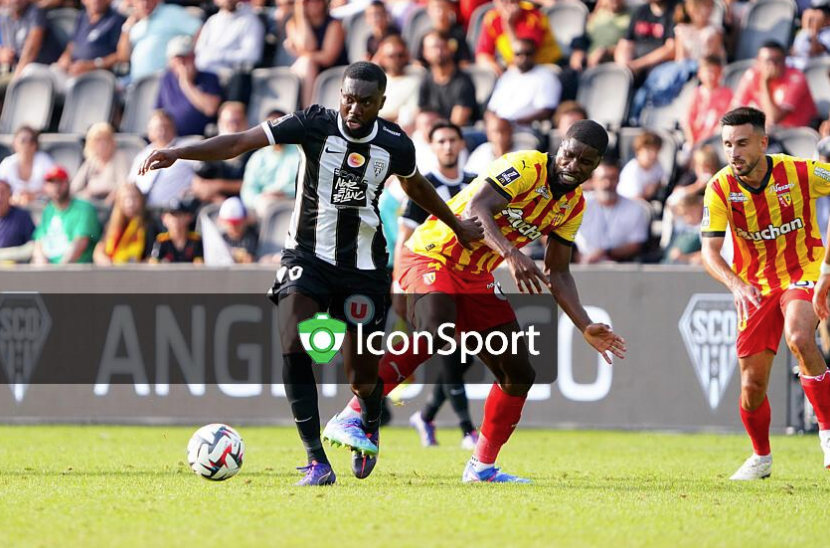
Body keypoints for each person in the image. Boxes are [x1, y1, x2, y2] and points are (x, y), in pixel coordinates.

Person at [138, 61, 483, 486]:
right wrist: (179, 153)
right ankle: (317, 460)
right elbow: (239, 143)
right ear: (340, 94)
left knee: (361, 374)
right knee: (292, 337)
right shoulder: (312, 123)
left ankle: (368, 420)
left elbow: (416, 188)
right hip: (307, 256)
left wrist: (456, 224)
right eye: (348, 98)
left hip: (364, 268)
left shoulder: (396, 144)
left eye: (365, 102)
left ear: (382, 103)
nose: (354, 108)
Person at [322, 120, 626, 483]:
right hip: (431, 253)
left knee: (519, 374)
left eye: (585, 161)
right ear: (559, 147)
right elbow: (476, 209)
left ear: (597, 165)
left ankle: (481, 467)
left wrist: (583, 324)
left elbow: (558, 272)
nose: (573, 166)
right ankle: (352, 415)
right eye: (570, 154)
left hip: (475, 277)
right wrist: (512, 254)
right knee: (438, 326)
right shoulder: (527, 166)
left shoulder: (573, 207)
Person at [702, 107, 830, 480]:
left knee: (799, 336)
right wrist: (736, 284)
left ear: (763, 141)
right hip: (754, 286)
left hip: (802, 272)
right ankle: (761, 458)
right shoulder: (720, 187)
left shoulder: (799, 172)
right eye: (727, 144)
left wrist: (826, 270)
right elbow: (710, 253)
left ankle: (827, 432)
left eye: (742, 143)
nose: (734, 152)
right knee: (751, 386)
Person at [391, 120, 480, 449]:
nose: (447, 146)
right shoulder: (423, 186)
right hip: (432, 277)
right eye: (441, 141)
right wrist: (400, 283)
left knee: (466, 356)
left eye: (452, 140)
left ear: (461, 145)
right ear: (433, 146)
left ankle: (426, 415)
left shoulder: (475, 184)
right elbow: (405, 238)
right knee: (449, 348)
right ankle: (468, 429)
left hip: (469, 280)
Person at [574, 157, 650, 263]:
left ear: (619, 179)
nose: (607, 184)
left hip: (619, 268)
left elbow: (636, 244)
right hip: (578, 265)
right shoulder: (577, 204)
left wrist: (606, 252)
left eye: (612, 178)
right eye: (603, 178)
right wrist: (572, 255)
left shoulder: (635, 208)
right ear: (594, 180)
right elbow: (552, 230)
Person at [731, 41, 818, 130]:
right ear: (758, 61)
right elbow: (734, 111)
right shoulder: (751, 75)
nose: (773, 65)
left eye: (777, 60)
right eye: (768, 61)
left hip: (796, 134)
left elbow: (773, 118)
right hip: (769, 132)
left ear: (784, 60)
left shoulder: (796, 79)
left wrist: (765, 82)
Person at [116, 0, 202, 83]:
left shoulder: (171, 12)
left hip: (164, 81)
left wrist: (187, 58)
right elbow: (123, 57)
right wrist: (126, 28)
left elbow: (200, 31)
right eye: (140, 0)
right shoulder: (135, 24)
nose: (145, 4)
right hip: (137, 82)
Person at [155, 35, 223, 138]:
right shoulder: (167, 79)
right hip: (170, 138)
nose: (181, 62)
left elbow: (210, 109)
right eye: (177, 58)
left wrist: (186, 83)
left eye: (185, 57)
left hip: (198, 140)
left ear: (193, 57)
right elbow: (158, 111)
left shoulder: (209, 78)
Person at [32, 166, 102, 264]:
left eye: (60, 182)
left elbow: (79, 244)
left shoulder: (84, 208)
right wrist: (42, 266)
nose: (56, 187)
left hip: (74, 270)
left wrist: (60, 272)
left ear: (67, 183)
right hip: (48, 268)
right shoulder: (48, 210)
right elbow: (38, 241)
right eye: (52, 183)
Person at [485, 38, 562, 128]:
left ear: (535, 54)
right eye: (518, 54)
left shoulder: (546, 76)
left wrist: (512, 123)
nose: (523, 58)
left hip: (525, 128)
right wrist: (492, 122)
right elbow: (491, 108)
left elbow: (546, 111)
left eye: (528, 53)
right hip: (498, 128)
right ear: (513, 56)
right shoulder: (507, 76)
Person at [283, 0, 347, 107]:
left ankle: (308, 112)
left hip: (332, 71)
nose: (313, 3)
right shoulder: (293, 24)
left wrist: (299, 53)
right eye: (307, 1)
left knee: (307, 63)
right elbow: (308, 45)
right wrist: (301, 15)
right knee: (305, 64)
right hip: (306, 73)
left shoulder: (334, 24)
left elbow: (328, 58)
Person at [129, 110, 197, 208]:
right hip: (143, 211)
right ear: (149, 131)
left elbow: (205, 171)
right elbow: (131, 183)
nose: (162, 132)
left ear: (174, 128)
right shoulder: (142, 155)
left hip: (174, 210)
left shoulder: (186, 147)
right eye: (157, 128)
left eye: (166, 127)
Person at [240, 109, 301, 218]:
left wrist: (284, 193)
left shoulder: (301, 153)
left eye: (279, 126)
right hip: (263, 204)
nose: (275, 132)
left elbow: (308, 183)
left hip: (294, 201)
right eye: (270, 128)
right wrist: (259, 198)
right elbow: (248, 190)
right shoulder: (258, 157)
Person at [475, 0, 561, 76]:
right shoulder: (492, 18)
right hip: (514, 69)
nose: (506, 2)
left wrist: (509, 24)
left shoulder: (533, 17)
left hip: (545, 67)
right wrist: (493, 67)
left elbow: (523, 57)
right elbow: (483, 54)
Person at [52, 0, 126, 79]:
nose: (96, 1)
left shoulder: (116, 20)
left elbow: (120, 55)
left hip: (98, 75)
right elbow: (72, 43)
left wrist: (93, 65)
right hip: (73, 68)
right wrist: (66, 57)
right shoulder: (82, 17)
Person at [418, 31, 477, 127]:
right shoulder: (425, 81)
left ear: (450, 49)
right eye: (433, 48)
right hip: (431, 133)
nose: (438, 52)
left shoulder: (463, 82)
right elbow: (421, 115)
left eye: (442, 47)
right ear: (424, 52)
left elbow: (457, 123)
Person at [194, 0, 265, 75]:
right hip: (203, 72)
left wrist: (220, 56)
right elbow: (199, 50)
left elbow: (252, 55)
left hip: (229, 75)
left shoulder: (250, 21)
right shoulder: (212, 21)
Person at [614, 0, 677, 85]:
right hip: (634, 70)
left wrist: (638, 65)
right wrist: (624, 66)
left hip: (660, 70)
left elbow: (671, 49)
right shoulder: (641, 11)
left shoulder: (676, 10)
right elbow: (625, 43)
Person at [93, 183, 156, 264]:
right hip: (113, 270)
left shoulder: (149, 224)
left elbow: (151, 257)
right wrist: (105, 261)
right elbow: (99, 249)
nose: (130, 203)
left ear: (141, 199)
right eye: (125, 198)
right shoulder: (112, 224)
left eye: (134, 198)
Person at [71, 122, 131, 203]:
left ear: (112, 141)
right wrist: (85, 194)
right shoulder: (91, 161)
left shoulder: (119, 157)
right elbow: (74, 188)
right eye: (98, 140)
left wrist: (96, 189)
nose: (102, 144)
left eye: (106, 139)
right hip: (91, 205)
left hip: (112, 205)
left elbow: (124, 186)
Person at [683, 54, 732, 147]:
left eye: (714, 72)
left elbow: (727, 120)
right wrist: (692, 141)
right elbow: (688, 121)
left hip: (716, 141)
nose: (710, 76)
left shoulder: (727, 94)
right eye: (707, 72)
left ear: (720, 73)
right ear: (699, 74)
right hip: (696, 140)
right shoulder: (696, 93)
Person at [374, 35, 419, 132]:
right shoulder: (375, 81)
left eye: (400, 55)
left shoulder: (417, 79)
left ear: (407, 56)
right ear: (382, 58)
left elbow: (409, 116)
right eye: (391, 56)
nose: (396, 60)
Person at [0, 126, 55, 206]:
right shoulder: (7, 163)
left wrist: (34, 195)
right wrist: (11, 199)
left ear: (35, 145)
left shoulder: (44, 160)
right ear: (15, 144)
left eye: (31, 141)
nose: (27, 144)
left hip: (42, 207)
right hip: (13, 210)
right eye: (23, 141)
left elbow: (55, 186)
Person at [618, 131, 664, 201]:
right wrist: (648, 193)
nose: (653, 154)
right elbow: (636, 200)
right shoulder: (632, 171)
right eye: (648, 150)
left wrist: (654, 186)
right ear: (638, 151)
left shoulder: (657, 164)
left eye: (655, 150)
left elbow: (662, 181)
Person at [0, 179, 35, 263]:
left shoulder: (22, 216)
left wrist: (5, 255)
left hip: (16, 269)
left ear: (10, 195)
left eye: (2, 192)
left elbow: (32, 246)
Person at [216, 196, 259, 263]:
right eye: (229, 223)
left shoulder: (252, 238)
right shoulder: (219, 239)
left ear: (245, 221)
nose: (233, 227)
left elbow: (250, 260)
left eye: (237, 223)